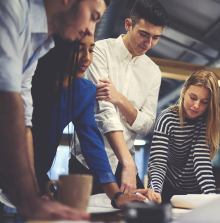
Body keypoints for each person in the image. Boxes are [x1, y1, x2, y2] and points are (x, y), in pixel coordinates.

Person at [0, 0, 110, 220]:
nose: (90, 29)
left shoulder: (41, 43)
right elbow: (7, 97)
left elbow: (24, 119)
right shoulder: (12, 7)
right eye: (93, 16)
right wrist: (29, 200)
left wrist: (34, 195)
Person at [32, 35, 161, 207]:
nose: (87, 58)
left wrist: (116, 196)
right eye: (79, 50)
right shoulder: (28, 81)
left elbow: (92, 143)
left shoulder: (83, 92)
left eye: (91, 50)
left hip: (37, 171)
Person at [70, 0, 169, 195]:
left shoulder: (153, 72)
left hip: (124, 167)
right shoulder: (98, 50)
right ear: (128, 25)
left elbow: (147, 126)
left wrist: (121, 99)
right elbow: (103, 111)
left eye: (156, 37)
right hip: (87, 162)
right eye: (144, 34)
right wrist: (128, 163)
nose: (148, 43)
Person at [147, 70, 220, 204]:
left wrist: (211, 197)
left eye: (204, 102)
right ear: (184, 92)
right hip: (166, 188)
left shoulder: (205, 122)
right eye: (193, 97)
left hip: (194, 192)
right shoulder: (167, 118)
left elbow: (202, 162)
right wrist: (156, 190)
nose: (196, 106)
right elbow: (158, 162)